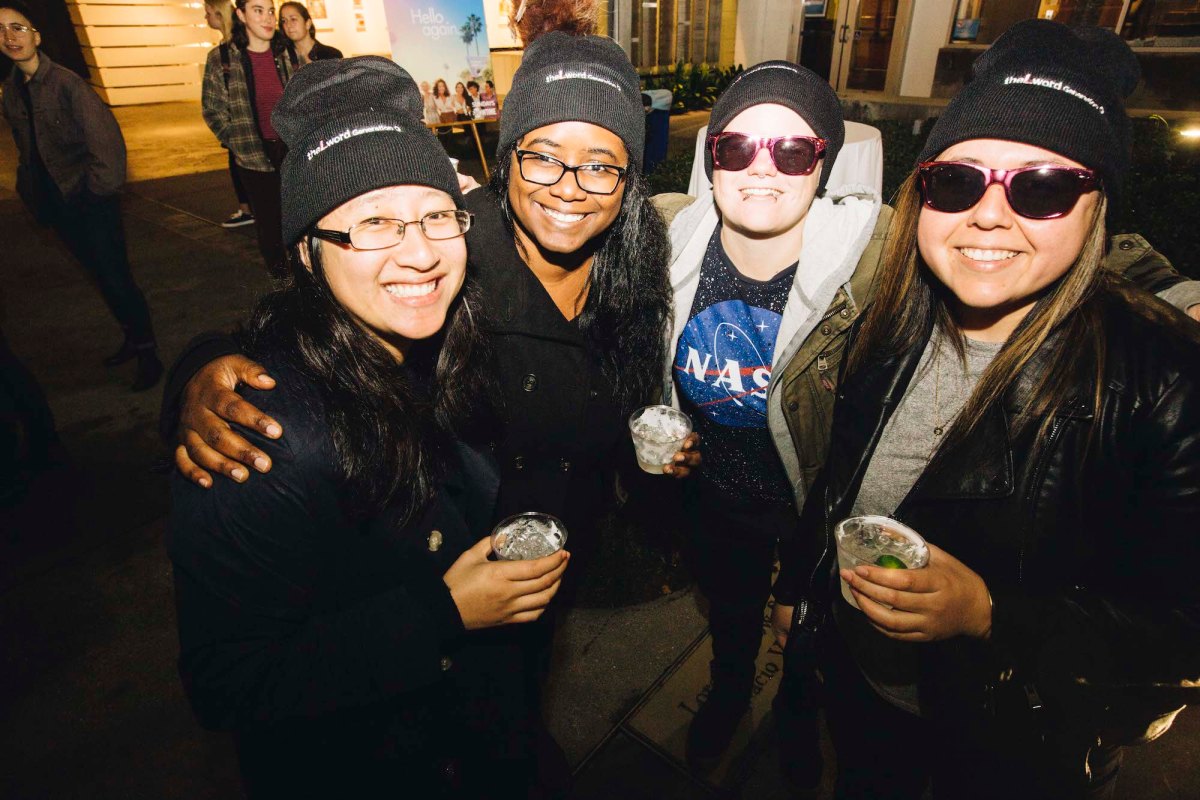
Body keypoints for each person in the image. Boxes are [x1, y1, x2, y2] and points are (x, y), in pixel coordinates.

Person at [651, 58, 1200, 782]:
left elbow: (1175, 630)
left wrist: (986, 612)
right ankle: (744, 701)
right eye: (958, 182)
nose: (990, 215)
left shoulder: (875, 264)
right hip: (783, 573)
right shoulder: (906, 310)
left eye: (1043, 187)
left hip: (1001, 731)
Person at [169, 56, 568, 798]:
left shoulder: (451, 342)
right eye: (373, 223)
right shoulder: (262, 441)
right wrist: (444, 613)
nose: (418, 253)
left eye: (434, 215)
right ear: (305, 253)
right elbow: (229, 682)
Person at [0, 1, 163, 392]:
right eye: (2, 31)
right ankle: (130, 337)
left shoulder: (67, 84)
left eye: (18, 27)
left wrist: (96, 196)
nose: (10, 37)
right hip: (56, 205)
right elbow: (28, 152)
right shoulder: (11, 91)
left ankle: (148, 354)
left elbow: (108, 147)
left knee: (117, 278)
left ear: (36, 35)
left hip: (90, 202)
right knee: (100, 278)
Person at [201, 0, 297, 276]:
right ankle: (284, 287)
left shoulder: (286, 53)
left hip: (293, 153)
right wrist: (238, 142)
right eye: (258, 10)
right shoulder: (222, 58)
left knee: (302, 220)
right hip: (254, 158)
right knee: (270, 229)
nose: (267, 18)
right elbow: (212, 109)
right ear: (241, 14)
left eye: (270, 11)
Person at [204, 0, 256, 229]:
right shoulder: (220, 54)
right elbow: (212, 107)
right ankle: (248, 209)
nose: (205, 18)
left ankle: (248, 209)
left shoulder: (234, 52)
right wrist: (232, 136)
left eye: (207, 13)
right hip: (240, 133)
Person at [278, 1, 341, 65]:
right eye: (284, 21)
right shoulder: (283, 58)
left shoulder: (332, 55)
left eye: (293, 19)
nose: (288, 25)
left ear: (307, 23)